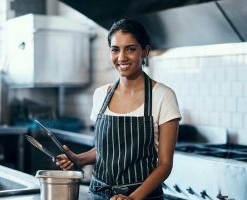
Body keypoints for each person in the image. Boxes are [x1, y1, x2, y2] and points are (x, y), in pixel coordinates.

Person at [56, 19, 181, 200]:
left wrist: (132, 198)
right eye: (115, 49)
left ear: (145, 51)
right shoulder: (100, 94)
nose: (121, 57)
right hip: (98, 193)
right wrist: (78, 159)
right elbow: (107, 150)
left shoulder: (163, 96)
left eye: (130, 49)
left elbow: (165, 164)